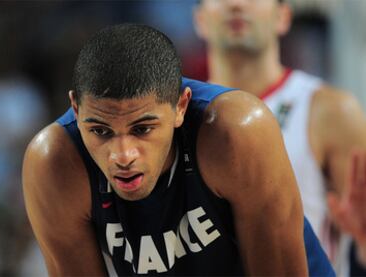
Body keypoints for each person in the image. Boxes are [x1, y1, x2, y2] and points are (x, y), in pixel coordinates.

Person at [23, 23, 333, 276]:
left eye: (142, 129)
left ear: (180, 106)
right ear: (75, 110)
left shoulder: (235, 132)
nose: (122, 155)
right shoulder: (54, 163)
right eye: (100, 131)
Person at [193, 0, 366, 275]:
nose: (236, 4)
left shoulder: (331, 110)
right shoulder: (179, 117)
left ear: (283, 16)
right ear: (200, 20)